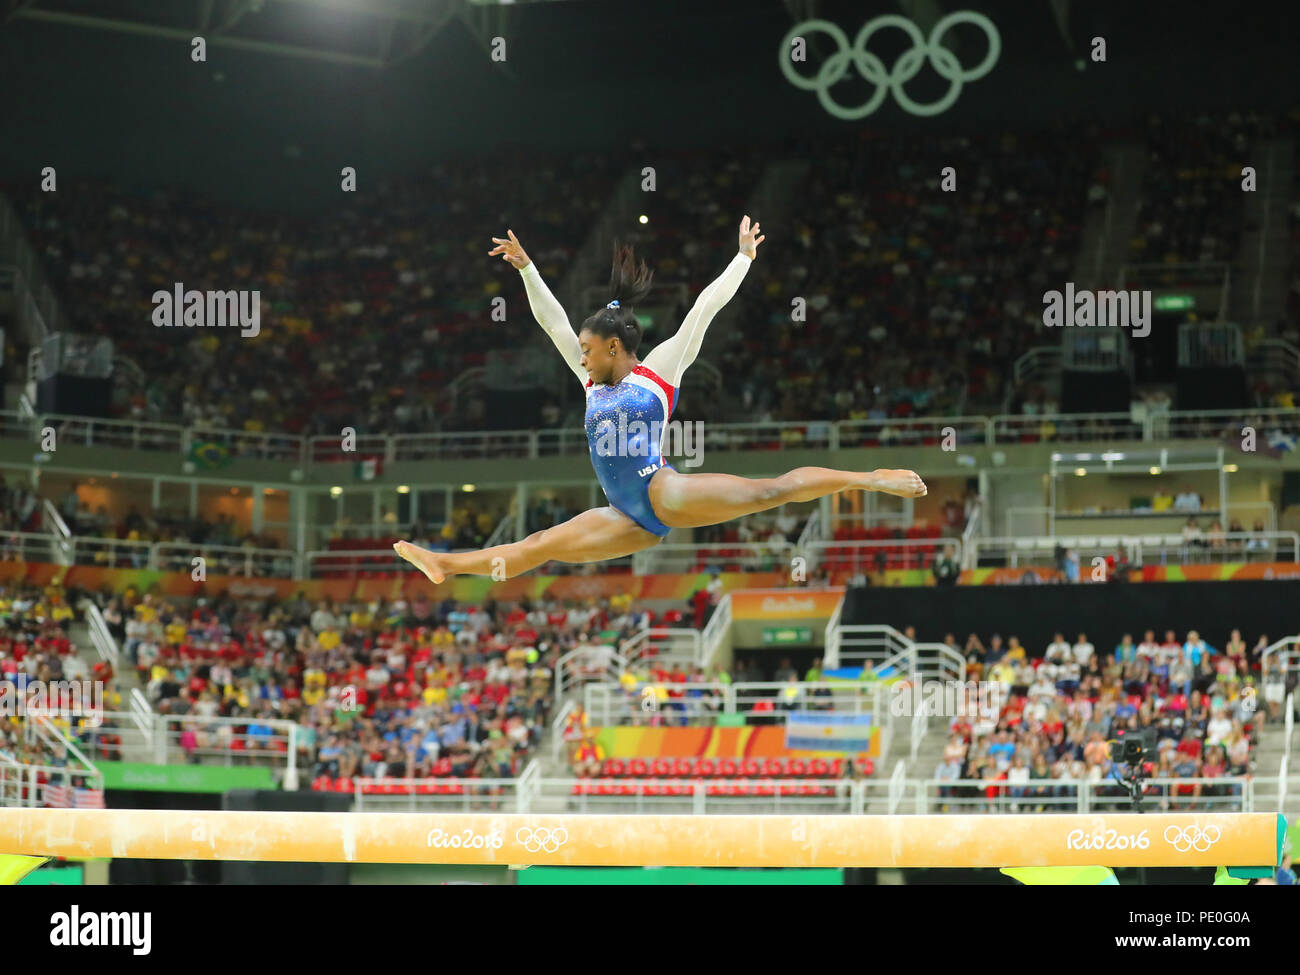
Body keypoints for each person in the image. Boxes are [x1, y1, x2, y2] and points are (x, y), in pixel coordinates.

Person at [394, 218, 927, 583]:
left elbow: (703, 309)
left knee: (769, 491)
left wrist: (742, 259)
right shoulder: (591, 383)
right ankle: (446, 565)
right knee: (540, 544)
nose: (578, 357)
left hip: (660, 490)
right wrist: (527, 270)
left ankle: (869, 477)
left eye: (586, 350)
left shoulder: (659, 373)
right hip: (624, 517)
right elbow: (552, 321)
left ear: (614, 346)